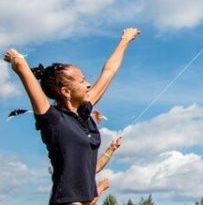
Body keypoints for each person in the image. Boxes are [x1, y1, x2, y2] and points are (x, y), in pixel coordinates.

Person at [4, 28, 139, 205]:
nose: (89, 84)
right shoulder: (52, 118)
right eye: (82, 81)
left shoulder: (84, 113)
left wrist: (125, 40)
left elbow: (108, 72)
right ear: (66, 91)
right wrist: (16, 57)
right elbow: (22, 68)